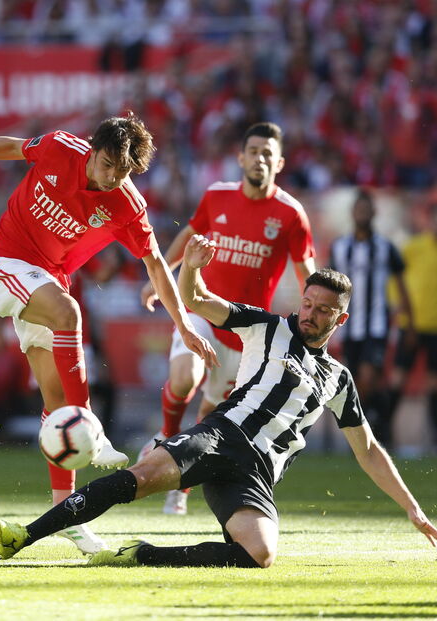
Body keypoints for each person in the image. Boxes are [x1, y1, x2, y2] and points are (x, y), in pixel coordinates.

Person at [0, 235, 437, 568]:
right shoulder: (268, 326)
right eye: (307, 303)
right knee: (140, 479)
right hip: (220, 435)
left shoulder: (340, 379)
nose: (310, 314)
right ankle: (24, 535)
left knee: (260, 554)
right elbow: (196, 299)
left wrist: (412, 508)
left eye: (323, 310)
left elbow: (367, 449)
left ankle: (143, 555)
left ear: (341, 318)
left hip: (257, 473)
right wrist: (191, 265)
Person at [0, 114, 215, 555]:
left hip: (46, 281)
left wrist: (184, 325)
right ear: (92, 150)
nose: (113, 177)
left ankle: (67, 516)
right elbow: (11, 146)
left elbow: (155, 266)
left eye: (124, 170)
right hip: (4, 265)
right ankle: (94, 429)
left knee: (54, 404)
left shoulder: (128, 206)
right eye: (108, 164)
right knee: (70, 313)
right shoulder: (59, 148)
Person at [137, 121, 316, 515]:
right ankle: (167, 437)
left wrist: (314, 321)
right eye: (253, 151)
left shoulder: (290, 214)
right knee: (186, 377)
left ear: (280, 162)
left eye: (268, 153)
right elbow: (190, 235)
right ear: (240, 157)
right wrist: (162, 275)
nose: (260, 158)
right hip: (201, 308)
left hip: (247, 333)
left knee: (209, 414)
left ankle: (178, 486)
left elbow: (307, 272)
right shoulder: (217, 197)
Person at [329, 189, 413, 447]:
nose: (362, 213)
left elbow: (401, 285)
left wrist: (410, 322)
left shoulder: (385, 248)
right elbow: (330, 286)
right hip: (348, 326)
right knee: (357, 384)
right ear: (353, 213)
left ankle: (376, 429)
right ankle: (379, 428)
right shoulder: (340, 247)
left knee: (367, 376)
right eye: (359, 209)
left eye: (367, 209)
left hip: (377, 325)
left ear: (374, 213)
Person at [388, 204, 437, 454]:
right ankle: (381, 430)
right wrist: (397, 305)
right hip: (411, 324)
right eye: (436, 220)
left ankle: (435, 438)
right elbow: (395, 278)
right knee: (399, 376)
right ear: (428, 222)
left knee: (435, 383)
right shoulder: (413, 247)